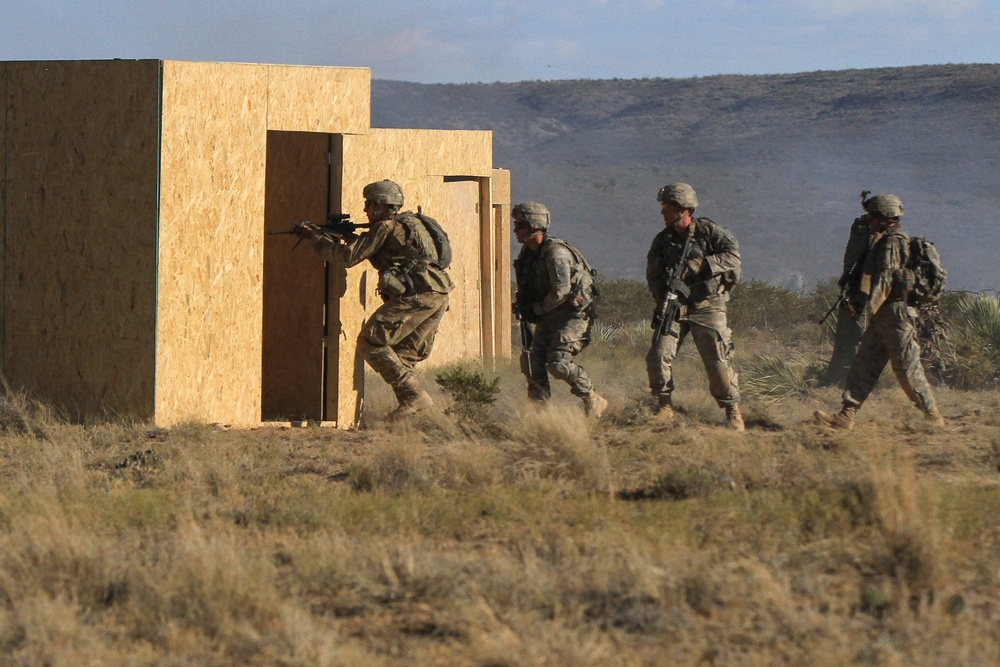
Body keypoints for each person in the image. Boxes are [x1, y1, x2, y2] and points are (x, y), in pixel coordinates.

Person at [311, 180, 453, 420]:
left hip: (418, 295)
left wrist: (317, 240)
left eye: (369, 204)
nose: (366, 210)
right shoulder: (410, 224)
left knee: (371, 342)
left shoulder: (385, 227)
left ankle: (414, 397)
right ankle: (414, 420)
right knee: (402, 356)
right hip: (438, 294)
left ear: (380, 205)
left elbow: (349, 257)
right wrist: (350, 236)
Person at [814, 193, 944, 430]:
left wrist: (866, 306)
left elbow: (886, 278)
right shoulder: (883, 239)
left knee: (906, 369)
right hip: (884, 314)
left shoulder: (893, 241)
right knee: (864, 364)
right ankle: (846, 415)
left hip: (895, 314)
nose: (869, 220)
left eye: (872, 215)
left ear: (883, 217)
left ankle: (933, 416)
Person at [645, 183, 745, 431]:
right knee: (658, 354)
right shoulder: (662, 240)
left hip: (708, 304)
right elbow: (653, 275)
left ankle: (732, 409)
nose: (662, 213)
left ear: (683, 209)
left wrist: (703, 264)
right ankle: (665, 406)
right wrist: (663, 302)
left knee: (718, 361)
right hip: (676, 306)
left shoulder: (709, 231)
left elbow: (733, 256)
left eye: (667, 208)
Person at [512, 201, 608, 419]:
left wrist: (536, 309)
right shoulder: (528, 252)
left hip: (573, 316)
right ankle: (539, 412)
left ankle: (592, 398)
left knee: (558, 363)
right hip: (549, 314)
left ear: (532, 226)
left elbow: (560, 292)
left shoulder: (557, 254)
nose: (515, 230)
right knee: (532, 361)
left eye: (519, 225)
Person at [818, 193, 873, 387]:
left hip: (871, 291)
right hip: (856, 290)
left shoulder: (889, 237)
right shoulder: (862, 228)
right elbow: (852, 260)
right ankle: (842, 377)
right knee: (849, 334)